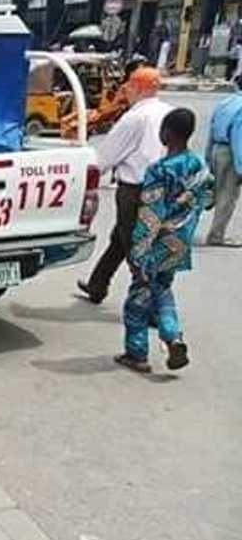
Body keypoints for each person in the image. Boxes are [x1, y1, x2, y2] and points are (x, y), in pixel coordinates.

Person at [116, 108, 212, 373]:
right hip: (180, 243)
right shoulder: (198, 164)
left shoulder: (159, 170)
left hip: (157, 243)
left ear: (167, 133)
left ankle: (138, 353)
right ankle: (173, 337)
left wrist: (137, 252)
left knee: (138, 299)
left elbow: (150, 215)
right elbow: (208, 198)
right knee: (162, 292)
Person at [77, 67, 174, 304]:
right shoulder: (169, 112)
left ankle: (150, 302)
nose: (125, 91)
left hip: (135, 189)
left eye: (128, 87)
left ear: (137, 88)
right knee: (121, 239)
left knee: (133, 244)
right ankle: (97, 284)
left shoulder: (134, 118)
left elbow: (106, 157)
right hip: (163, 188)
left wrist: (83, 180)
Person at [204, 76, 242, 247]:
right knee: (228, 196)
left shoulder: (225, 102)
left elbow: (211, 130)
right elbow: (238, 138)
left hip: (216, 150)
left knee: (213, 191)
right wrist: (240, 166)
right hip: (231, 152)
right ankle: (216, 235)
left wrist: (207, 157)